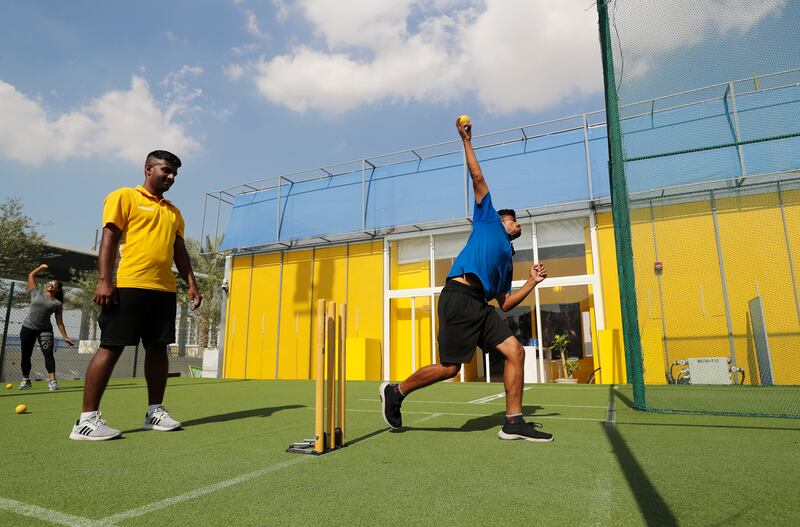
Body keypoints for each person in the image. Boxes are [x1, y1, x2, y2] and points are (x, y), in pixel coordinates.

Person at [379, 117, 553, 442]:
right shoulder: (487, 221)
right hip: (459, 295)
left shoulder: (507, 259)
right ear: (502, 220)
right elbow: (478, 176)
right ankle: (396, 391)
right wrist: (466, 140)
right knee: (450, 368)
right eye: (514, 219)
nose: (518, 223)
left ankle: (513, 422)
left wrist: (531, 283)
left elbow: (504, 303)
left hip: (482, 307)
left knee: (516, 351)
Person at [69, 150, 202, 441]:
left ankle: (155, 412)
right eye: (166, 170)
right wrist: (105, 280)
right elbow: (109, 239)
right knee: (111, 347)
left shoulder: (174, 212)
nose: (171, 177)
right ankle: (86, 420)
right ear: (148, 168)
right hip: (128, 285)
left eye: (175, 173)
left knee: (158, 347)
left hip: (163, 289)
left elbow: (180, 252)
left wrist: (191, 282)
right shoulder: (124, 197)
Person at [18, 264, 75, 391]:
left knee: (48, 354)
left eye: (54, 284)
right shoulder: (36, 292)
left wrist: (66, 337)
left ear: (58, 289)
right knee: (25, 355)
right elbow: (31, 275)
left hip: (45, 330)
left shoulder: (57, 304)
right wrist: (41, 268)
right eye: (50, 282)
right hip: (28, 328)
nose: (51, 284)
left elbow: (60, 323)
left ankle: (53, 381)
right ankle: (26, 380)